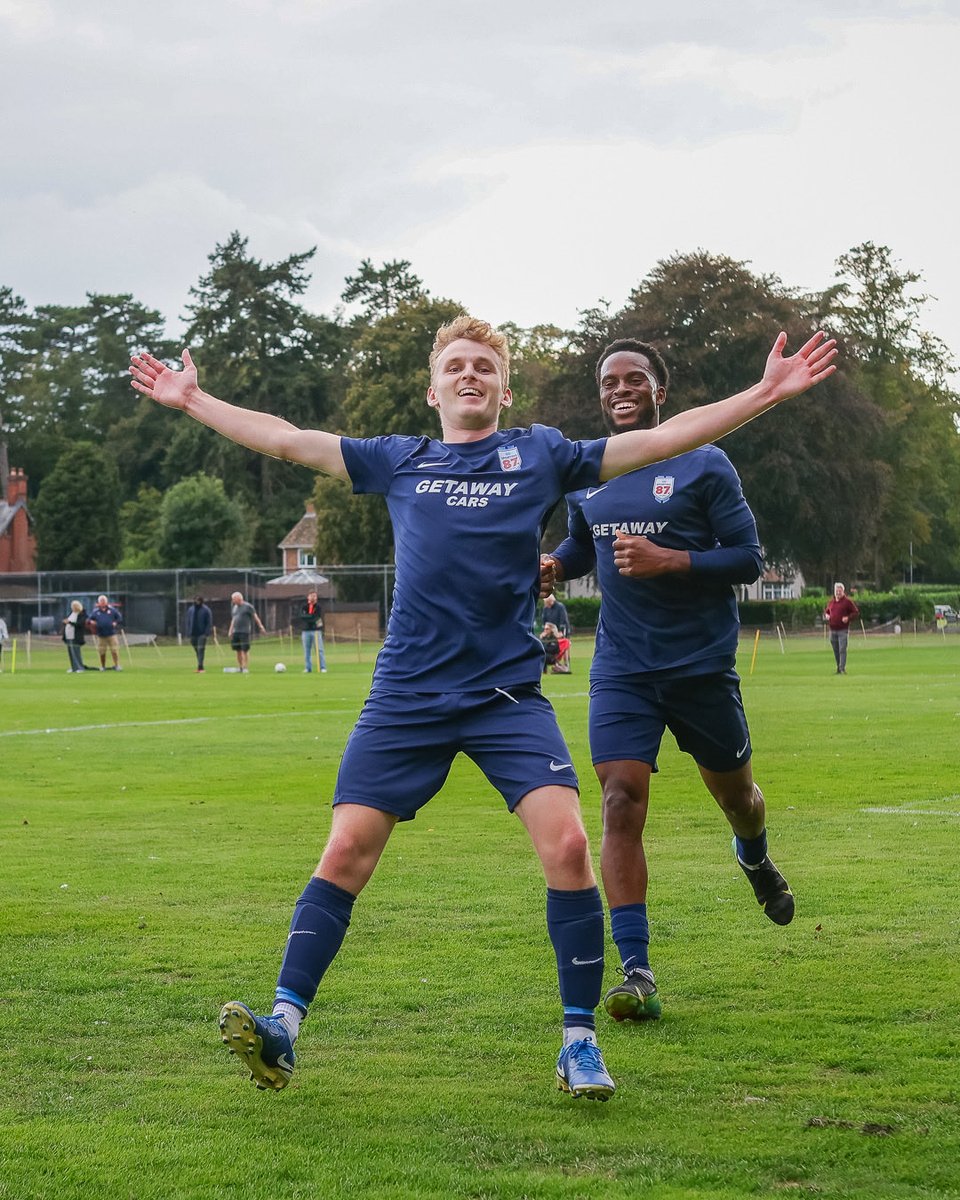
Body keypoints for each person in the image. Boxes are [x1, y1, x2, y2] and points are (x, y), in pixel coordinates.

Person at [130, 317, 835, 1100]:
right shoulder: (400, 459)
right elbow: (289, 439)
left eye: (485, 367)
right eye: (456, 366)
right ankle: (283, 1029)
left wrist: (766, 393)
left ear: (505, 390)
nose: (470, 375)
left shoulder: (542, 455)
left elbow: (664, 441)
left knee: (569, 845)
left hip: (506, 697)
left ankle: (579, 1045)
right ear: (433, 391)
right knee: (346, 850)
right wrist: (193, 401)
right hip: (407, 695)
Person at [543, 336, 801, 1026]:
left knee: (739, 798)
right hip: (623, 669)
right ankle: (637, 972)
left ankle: (754, 856)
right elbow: (581, 544)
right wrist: (555, 566)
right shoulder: (589, 470)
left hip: (700, 667)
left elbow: (748, 559)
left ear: (660, 390)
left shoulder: (704, 462)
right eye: (609, 382)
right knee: (619, 801)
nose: (620, 390)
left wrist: (671, 560)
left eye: (634, 379)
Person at [824, 582, 860, 674]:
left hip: (843, 630)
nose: (838, 593)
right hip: (832, 630)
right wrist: (827, 615)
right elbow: (827, 611)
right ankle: (838, 667)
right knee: (836, 650)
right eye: (836, 591)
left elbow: (855, 612)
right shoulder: (831, 602)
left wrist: (848, 618)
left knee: (842, 649)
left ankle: (842, 668)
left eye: (840, 591)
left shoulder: (847, 602)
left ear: (843, 591)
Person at [227, 592, 265, 673]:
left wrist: (261, 626)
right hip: (236, 631)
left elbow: (255, 617)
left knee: (245, 649)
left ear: (239, 598)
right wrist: (230, 631)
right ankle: (240, 667)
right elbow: (233, 620)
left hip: (244, 631)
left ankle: (245, 667)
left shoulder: (248, 607)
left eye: (234, 599)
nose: (232, 601)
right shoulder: (234, 608)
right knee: (238, 650)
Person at [89, 595, 123, 670]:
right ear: (99, 602)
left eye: (104, 601)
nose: (103, 602)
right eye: (101, 601)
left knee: (114, 650)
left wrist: (115, 622)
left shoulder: (112, 610)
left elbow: (119, 618)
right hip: (101, 635)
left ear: (106, 601)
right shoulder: (95, 612)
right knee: (102, 651)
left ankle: (117, 665)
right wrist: (92, 622)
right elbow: (90, 619)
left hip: (111, 634)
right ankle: (103, 666)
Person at [297, 590, 327, 673]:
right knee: (306, 650)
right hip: (305, 631)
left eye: (314, 596)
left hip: (316, 631)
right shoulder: (304, 606)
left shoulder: (318, 607)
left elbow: (316, 617)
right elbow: (302, 616)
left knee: (319, 650)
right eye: (311, 596)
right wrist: (310, 617)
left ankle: (322, 667)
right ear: (308, 597)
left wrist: (309, 617)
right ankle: (308, 668)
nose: (313, 597)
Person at [185, 595, 214, 672]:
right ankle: (200, 663)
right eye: (195, 600)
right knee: (197, 649)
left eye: (198, 600)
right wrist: (188, 632)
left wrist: (206, 633)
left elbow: (209, 622)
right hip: (193, 633)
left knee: (200, 649)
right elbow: (188, 621)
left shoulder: (206, 610)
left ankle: (200, 667)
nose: (196, 602)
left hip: (202, 634)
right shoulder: (191, 609)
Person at [61, 600, 88, 672]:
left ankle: (80, 667)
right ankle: (74, 667)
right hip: (69, 636)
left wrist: (70, 622)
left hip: (76, 636)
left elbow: (80, 624)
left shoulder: (82, 614)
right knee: (71, 653)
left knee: (76, 653)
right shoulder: (72, 613)